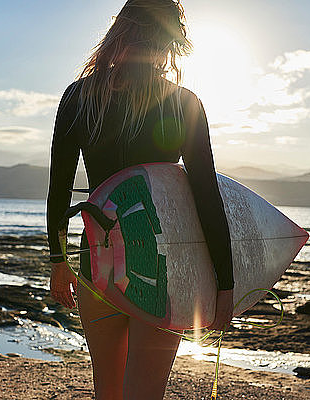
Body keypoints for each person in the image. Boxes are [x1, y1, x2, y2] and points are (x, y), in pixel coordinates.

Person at [46, 1, 234, 398]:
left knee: (108, 393)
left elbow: (59, 189)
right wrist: (225, 283)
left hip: (97, 257)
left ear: (120, 29)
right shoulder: (183, 103)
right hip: (159, 260)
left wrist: (58, 260)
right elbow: (206, 197)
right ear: (171, 40)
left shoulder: (78, 97)